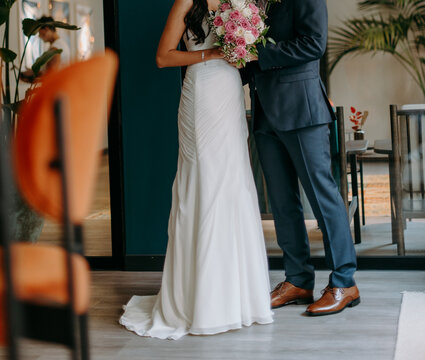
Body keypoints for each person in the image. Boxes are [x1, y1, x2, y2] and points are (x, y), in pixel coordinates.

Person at [119, 0, 273, 340]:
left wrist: (241, 51)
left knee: (234, 184)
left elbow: (246, 51)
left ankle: (238, 299)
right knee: (205, 186)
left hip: (230, 91)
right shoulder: (187, 1)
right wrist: (212, 55)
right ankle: (201, 301)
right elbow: (163, 57)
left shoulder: (240, 3)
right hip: (201, 91)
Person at [243, 0, 360, 316]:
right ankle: (297, 280)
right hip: (264, 112)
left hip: (302, 109)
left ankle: (344, 282)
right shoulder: (253, 3)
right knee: (282, 204)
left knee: (323, 198)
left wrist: (258, 54)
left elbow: (313, 44)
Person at [21, 16, 71, 82]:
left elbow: (51, 74)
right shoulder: (62, 43)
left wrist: (30, 76)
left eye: (39, 32)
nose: (39, 36)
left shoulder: (55, 48)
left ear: (46, 29)